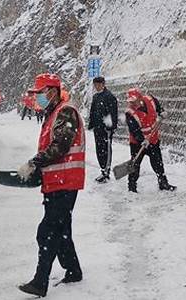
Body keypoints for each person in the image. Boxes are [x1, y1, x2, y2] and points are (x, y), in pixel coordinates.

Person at [17, 73, 85, 297]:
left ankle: (40, 281)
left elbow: (61, 146)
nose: (38, 97)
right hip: (56, 182)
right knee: (61, 229)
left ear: (52, 91)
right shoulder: (53, 113)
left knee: (47, 232)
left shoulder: (65, 111)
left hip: (65, 182)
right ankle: (73, 270)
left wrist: (34, 162)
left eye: (40, 93)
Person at [125, 88, 176, 193]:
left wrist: (162, 112)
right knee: (135, 164)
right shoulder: (129, 112)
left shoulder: (150, 99)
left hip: (153, 139)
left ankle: (163, 182)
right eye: (130, 102)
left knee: (158, 162)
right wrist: (142, 140)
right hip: (137, 143)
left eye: (134, 101)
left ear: (140, 97)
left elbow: (157, 106)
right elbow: (134, 130)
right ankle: (132, 186)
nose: (132, 104)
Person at [88, 76, 118, 183]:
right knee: (99, 149)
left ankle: (106, 172)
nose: (96, 86)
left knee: (106, 149)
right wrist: (91, 124)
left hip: (106, 129)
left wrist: (110, 127)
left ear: (103, 84)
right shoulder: (96, 96)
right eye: (95, 84)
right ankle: (102, 170)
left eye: (98, 84)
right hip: (97, 127)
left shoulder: (109, 96)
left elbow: (113, 113)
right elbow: (93, 111)